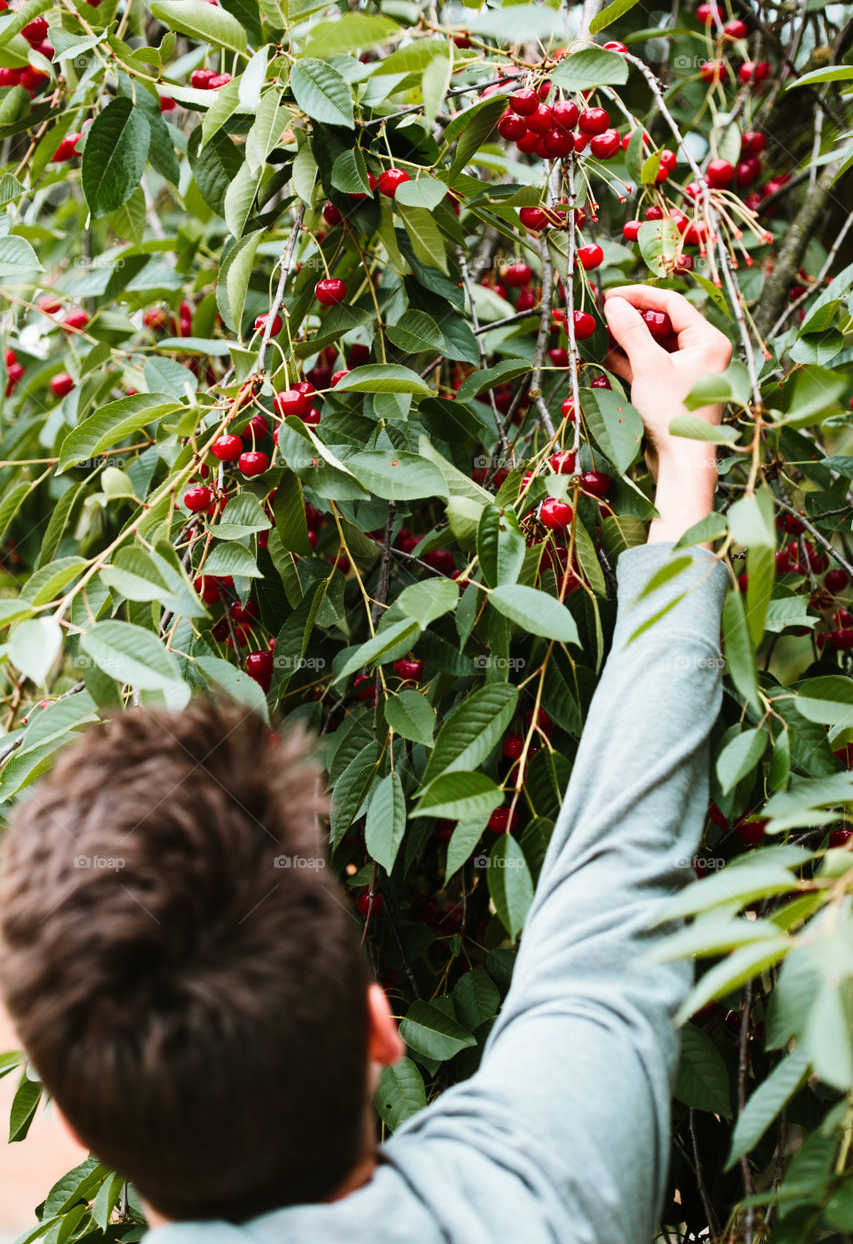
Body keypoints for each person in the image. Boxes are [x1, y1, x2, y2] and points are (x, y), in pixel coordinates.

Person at [0, 286, 733, 1243]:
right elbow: (619, 879)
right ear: (381, 1027)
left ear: (76, 1130)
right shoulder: (543, 1192)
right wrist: (685, 471)